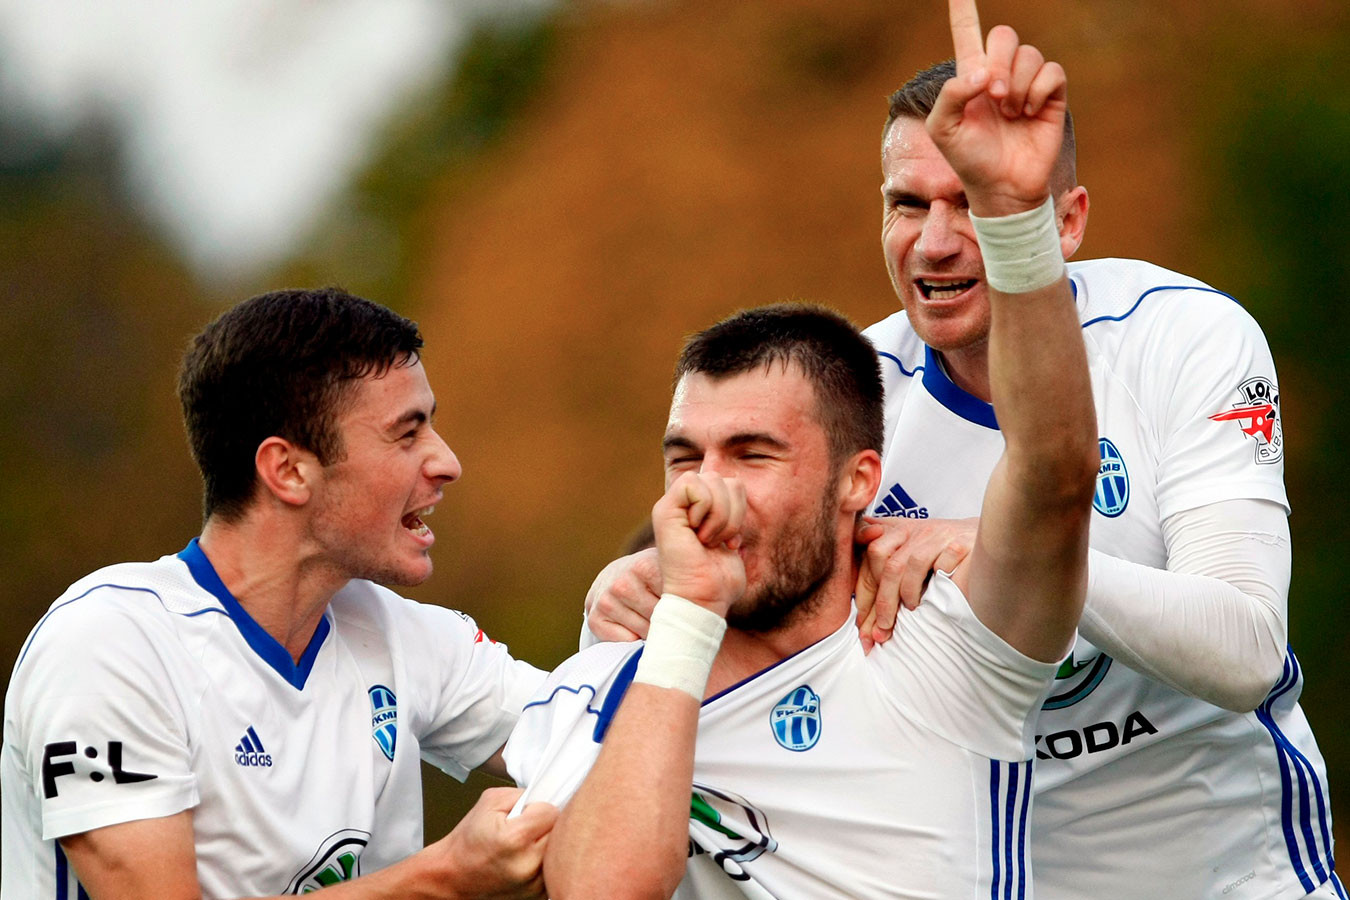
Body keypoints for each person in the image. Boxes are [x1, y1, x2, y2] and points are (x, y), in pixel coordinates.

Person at [585, 5, 1342, 899]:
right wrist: (632, 588)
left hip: (1234, 878)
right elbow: (733, 568)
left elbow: (1247, 652)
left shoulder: (1182, 336)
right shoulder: (852, 393)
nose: (935, 243)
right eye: (907, 204)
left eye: (975, 204)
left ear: (1066, 222)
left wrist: (1006, 554)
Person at [506, 11, 1102, 892]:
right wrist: (685, 625)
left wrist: (1012, 218)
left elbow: (1054, 474)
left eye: (753, 455)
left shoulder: (945, 647)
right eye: (685, 459)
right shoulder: (613, 678)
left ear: (859, 481)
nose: (708, 492)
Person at [1, 288, 557, 899]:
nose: (447, 462)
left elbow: (599, 736)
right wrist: (444, 875)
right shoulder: (109, 645)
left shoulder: (403, 634)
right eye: (407, 434)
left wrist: (631, 592)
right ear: (288, 471)